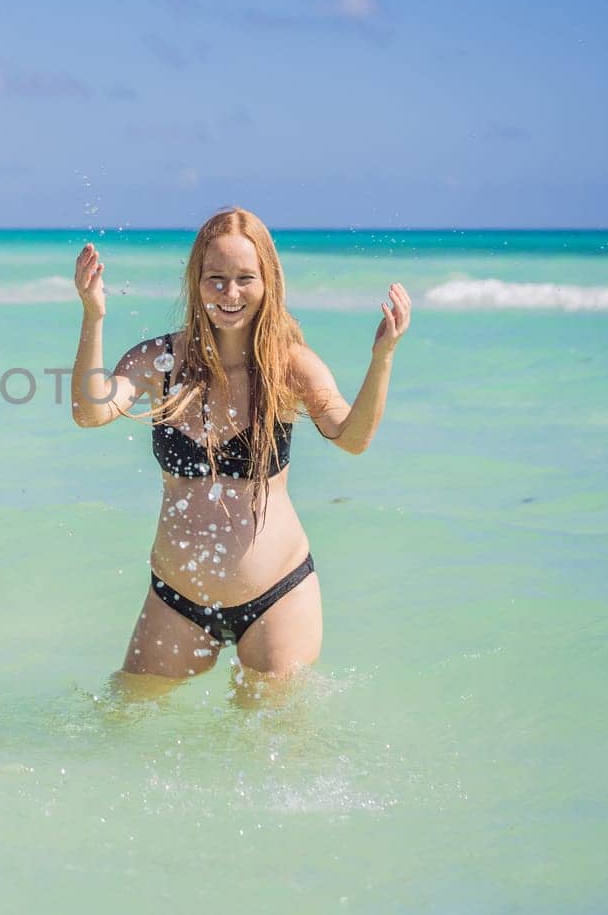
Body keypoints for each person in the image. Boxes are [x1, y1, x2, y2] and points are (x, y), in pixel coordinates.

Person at [70, 207, 410, 689]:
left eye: (245, 279)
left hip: (276, 598)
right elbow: (90, 412)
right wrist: (94, 315)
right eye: (217, 279)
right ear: (196, 282)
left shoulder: (290, 366)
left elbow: (352, 438)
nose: (230, 294)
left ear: (267, 281)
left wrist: (383, 358)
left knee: (269, 746)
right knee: (126, 718)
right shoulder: (160, 362)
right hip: (175, 599)